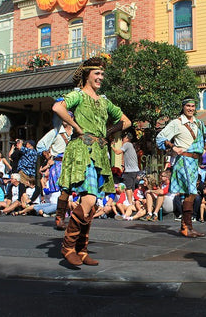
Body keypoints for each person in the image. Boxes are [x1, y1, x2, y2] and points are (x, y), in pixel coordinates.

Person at [53, 56, 131, 266]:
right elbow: (58, 108)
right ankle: (68, 247)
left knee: (93, 202)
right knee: (88, 200)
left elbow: (126, 121)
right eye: (97, 73)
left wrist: (108, 131)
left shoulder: (104, 100)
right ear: (86, 75)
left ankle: (82, 250)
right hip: (82, 149)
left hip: (99, 150)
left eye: (102, 74)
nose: (100, 77)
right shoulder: (77, 95)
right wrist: (77, 127)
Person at [156, 97, 206, 238]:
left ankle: (186, 226)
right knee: (191, 192)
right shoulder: (177, 123)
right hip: (184, 161)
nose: (191, 108)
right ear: (183, 107)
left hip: (194, 161)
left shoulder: (199, 123)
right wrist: (174, 147)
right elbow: (160, 138)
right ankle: (186, 226)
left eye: (193, 106)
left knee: (191, 193)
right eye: (188, 106)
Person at [36, 116, 73, 230]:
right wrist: (48, 158)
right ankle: (60, 218)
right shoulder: (56, 131)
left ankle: (70, 217)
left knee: (72, 192)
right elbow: (40, 145)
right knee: (63, 190)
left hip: (73, 164)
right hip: (59, 164)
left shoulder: (76, 132)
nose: (65, 119)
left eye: (68, 117)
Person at [111, 132, 139, 206]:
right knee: (132, 188)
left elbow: (117, 152)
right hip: (135, 170)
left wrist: (112, 146)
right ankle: (132, 202)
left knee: (128, 188)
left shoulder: (127, 144)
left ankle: (129, 204)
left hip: (130, 170)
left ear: (127, 138)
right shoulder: (131, 145)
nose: (122, 139)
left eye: (123, 138)